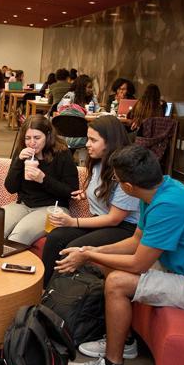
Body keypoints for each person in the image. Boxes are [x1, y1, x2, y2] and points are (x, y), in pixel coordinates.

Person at [59, 145, 184, 365]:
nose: (116, 182)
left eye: (116, 179)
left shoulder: (168, 205)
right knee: (108, 268)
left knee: (117, 282)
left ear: (128, 187)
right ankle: (126, 341)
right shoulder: (156, 190)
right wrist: (89, 252)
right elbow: (135, 242)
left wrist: (90, 254)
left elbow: (138, 263)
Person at [41, 115, 139, 285]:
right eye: (88, 139)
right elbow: (102, 189)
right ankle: (42, 290)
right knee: (56, 237)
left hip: (124, 228)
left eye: (93, 140)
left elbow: (114, 218)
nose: (87, 144)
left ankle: (57, 297)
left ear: (110, 142)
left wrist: (73, 222)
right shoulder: (98, 162)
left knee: (75, 247)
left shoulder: (126, 170)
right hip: (101, 222)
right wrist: (86, 193)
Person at [3, 115, 79, 245]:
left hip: (52, 207)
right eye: (28, 138)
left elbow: (71, 191)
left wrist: (43, 179)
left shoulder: (62, 153)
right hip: (24, 204)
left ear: (48, 136)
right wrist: (18, 162)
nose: (32, 142)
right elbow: (10, 188)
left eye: (37, 138)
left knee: (18, 236)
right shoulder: (23, 152)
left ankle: (10, 265)